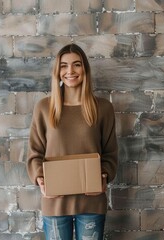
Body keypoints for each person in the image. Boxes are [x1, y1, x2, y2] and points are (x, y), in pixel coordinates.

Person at [27, 43, 118, 240]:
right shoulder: (44, 107)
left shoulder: (103, 108)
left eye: (76, 64)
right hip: (55, 202)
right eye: (63, 65)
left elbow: (110, 153)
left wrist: (104, 177)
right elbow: (35, 153)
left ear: (84, 68)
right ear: (57, 71)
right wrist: (41, 180)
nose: (70, 71)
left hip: (91, 202)